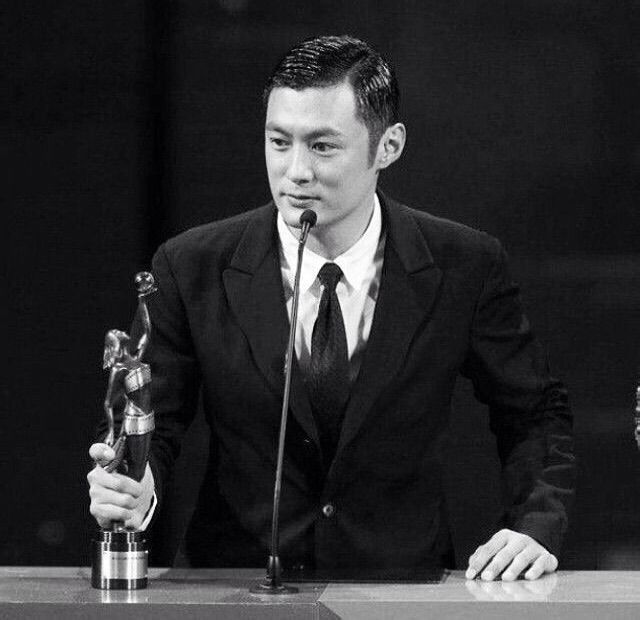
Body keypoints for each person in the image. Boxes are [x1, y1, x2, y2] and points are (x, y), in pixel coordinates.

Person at [87, 34, 575, 581]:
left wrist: (535, 525)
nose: (296, 171)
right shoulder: (190, 265)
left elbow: (535, 412)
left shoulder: (465, 265)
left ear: (388, 146)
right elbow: (156, 420)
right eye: (279, 142)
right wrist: (138, 485)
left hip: (397, 592)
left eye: (321, 146)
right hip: (235, 587)